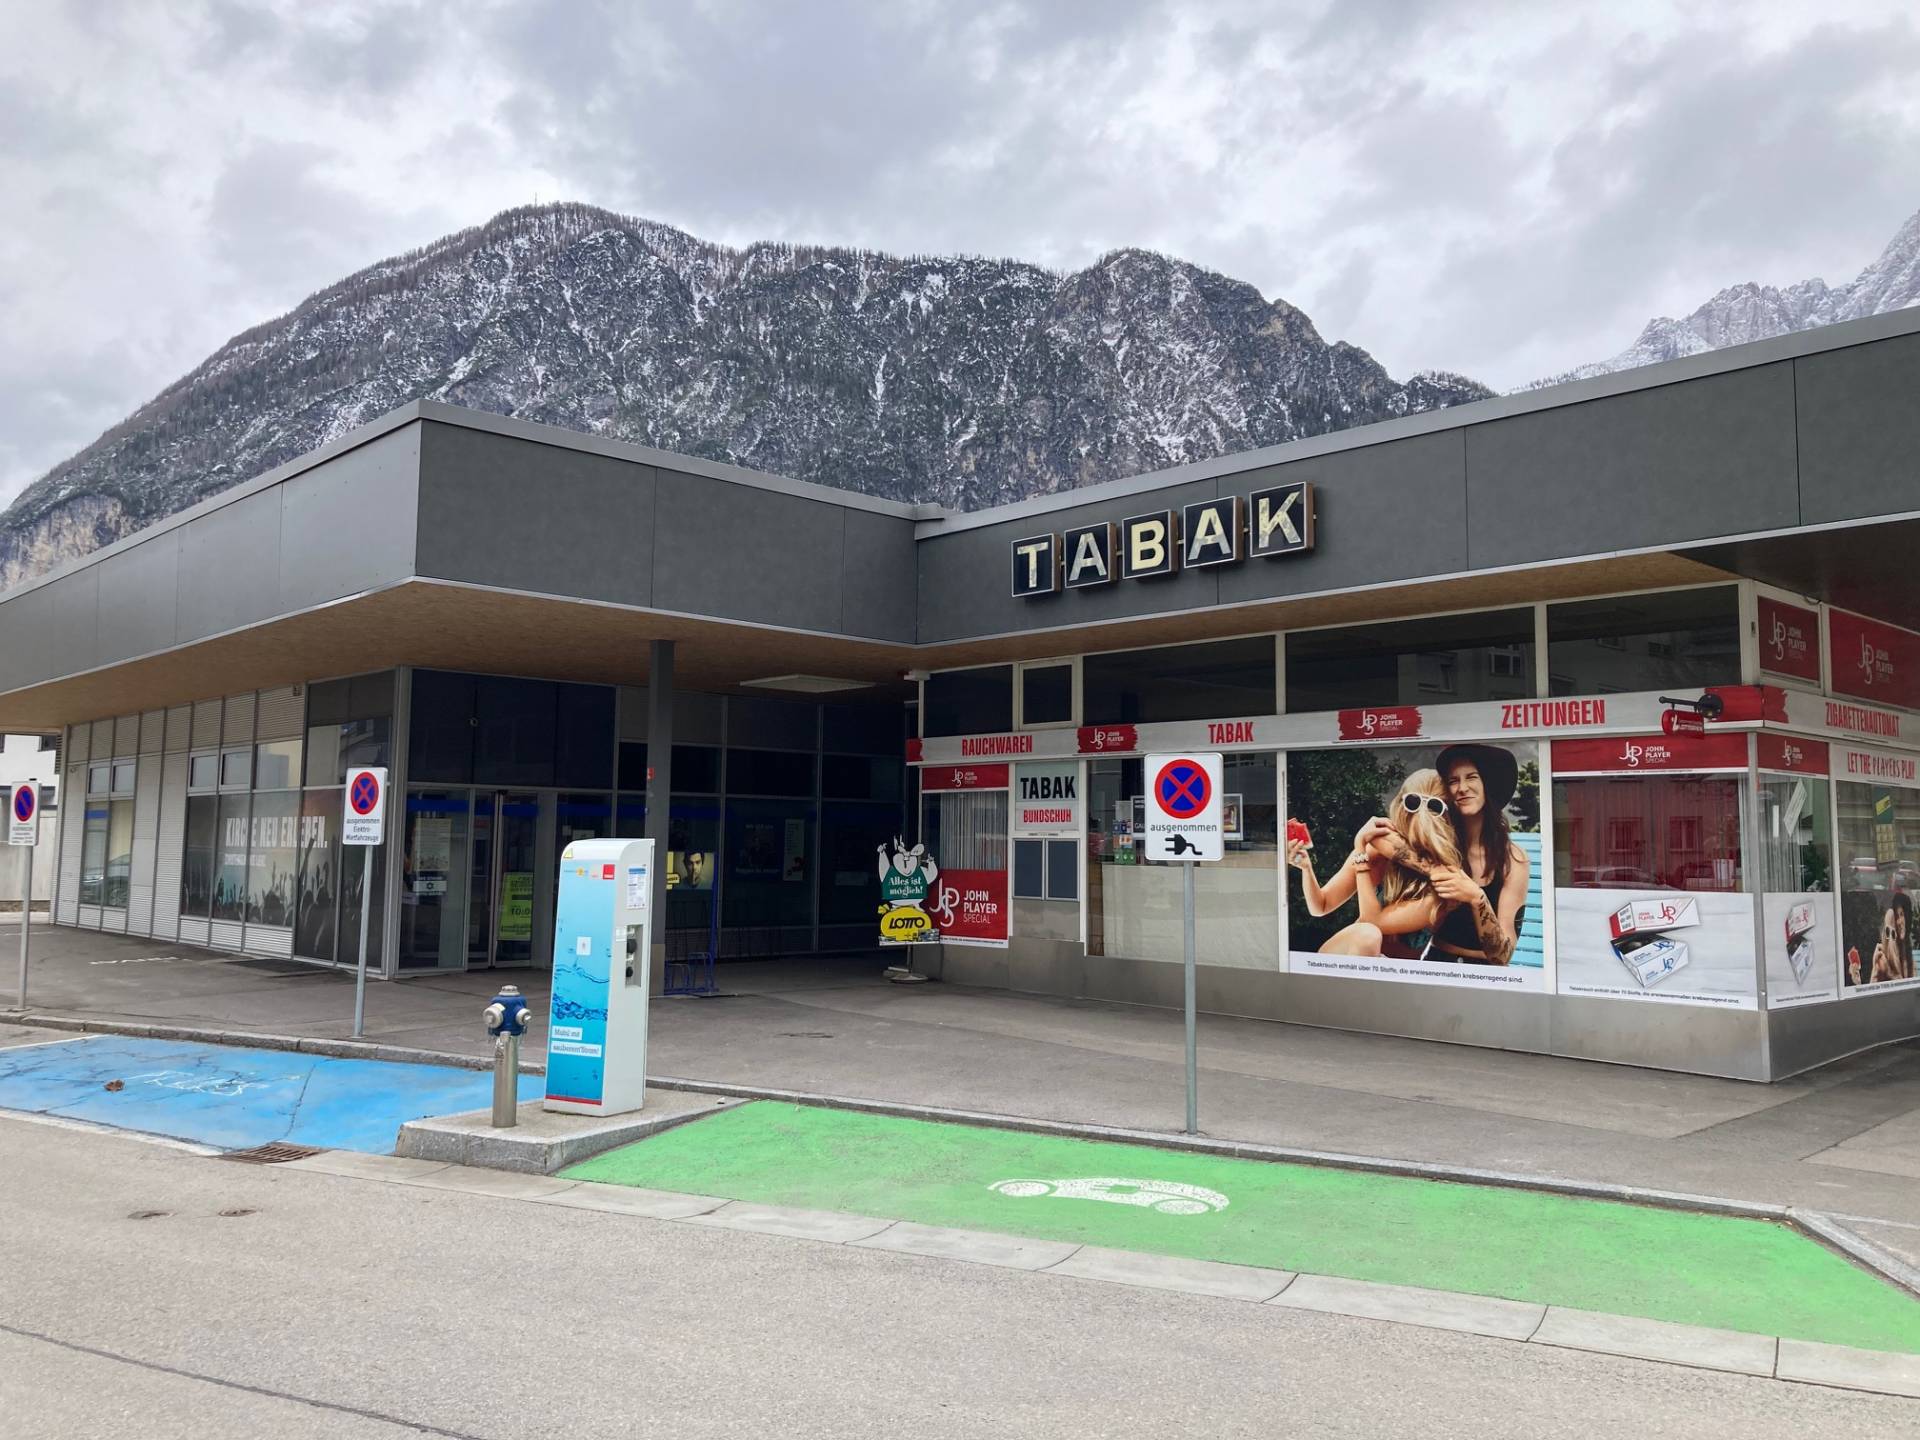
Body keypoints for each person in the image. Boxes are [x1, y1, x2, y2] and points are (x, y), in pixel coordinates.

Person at [1292, 769, 1462, 958]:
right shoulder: (1376, 848)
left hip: (1392, 975)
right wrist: (1306, 868)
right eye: (1413, 804)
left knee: (1369, 932)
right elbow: (1320, 906)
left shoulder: (1447, 884)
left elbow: (1371, 921)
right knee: (1367, 936)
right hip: (1347, 957)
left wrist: (1360, 848)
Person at [1420, 744, 1529, 965]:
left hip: (1484, 971)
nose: (1461, 788)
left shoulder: (1513, 859)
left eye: (1471, 777)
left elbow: (1503, 956)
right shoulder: (1438, 844)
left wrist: (1476, 898)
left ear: (1486, 783)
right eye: (1453, 781)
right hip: (1436, 962)